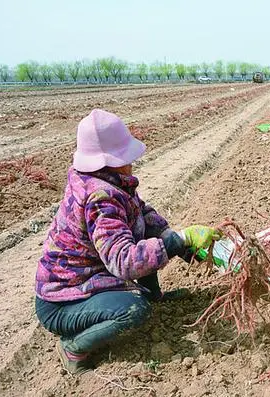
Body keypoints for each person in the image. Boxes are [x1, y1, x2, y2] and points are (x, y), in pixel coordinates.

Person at [35, 109, 221, 375]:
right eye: (126, 157)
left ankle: (154, 295)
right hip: (63, 302)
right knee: (133, 310)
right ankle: (73, 347)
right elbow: (124, 261)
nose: (132, 162)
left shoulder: (109, 182)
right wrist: (179, 239)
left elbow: (140, 213)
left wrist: (174, 240)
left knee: (146, 234)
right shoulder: (100, 197)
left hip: (87, 279)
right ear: (109, 161)